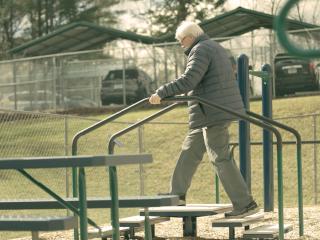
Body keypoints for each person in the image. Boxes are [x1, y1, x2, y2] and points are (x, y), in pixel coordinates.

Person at [149, 21, 258, 218]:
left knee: (220, 158)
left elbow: (190, 79)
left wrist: (162, 92)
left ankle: (245, 203)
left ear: (190, 37)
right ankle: (177, 195)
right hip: (207, 113)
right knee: (189, 151)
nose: (181, 45)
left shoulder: (200, 49)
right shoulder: (212, 46)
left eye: (181, 41)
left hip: (213, 113)